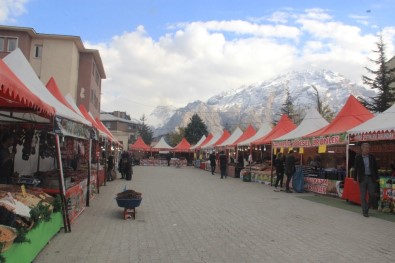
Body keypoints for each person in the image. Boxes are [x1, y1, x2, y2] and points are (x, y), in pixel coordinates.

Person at [354, 143, 378, 217]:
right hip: (362, 178)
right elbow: (356, 168)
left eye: (368, 148)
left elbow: (375, 168)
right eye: (366, 148)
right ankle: (365, 211)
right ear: (362, 148)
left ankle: (367, 207)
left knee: (372, 194)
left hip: (371, 178)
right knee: (363, 196)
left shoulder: (372, 157)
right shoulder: (358, 157)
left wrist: (377, 177)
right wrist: (355, 178)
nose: (367, 149)